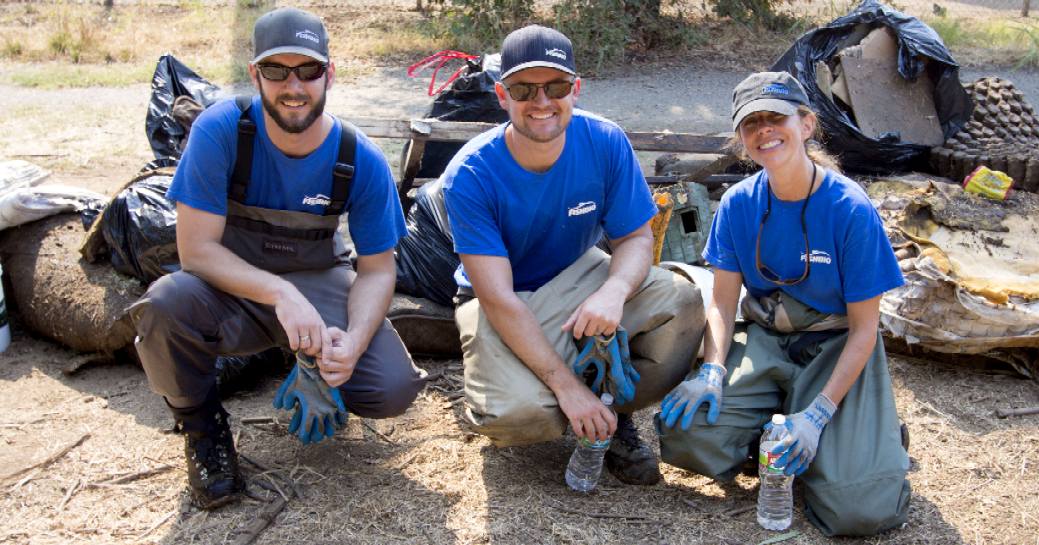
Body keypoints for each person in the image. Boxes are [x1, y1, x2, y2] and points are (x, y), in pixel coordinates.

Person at [129, 7, 426, 509]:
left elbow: (377, 270)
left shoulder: (361, 158)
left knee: (392, 391)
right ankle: (203, 431)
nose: (294, 86)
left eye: (308, 71)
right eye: (277, 71)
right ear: (255, 75)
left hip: (318, 279)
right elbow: (195, 250)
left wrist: (351, 343)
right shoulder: (221, 129)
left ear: (329, 74)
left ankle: (290, 352)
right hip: (229, 287)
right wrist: (280, 293)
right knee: (164, 305)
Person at [441, 24, 705, 485]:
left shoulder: (604, 141)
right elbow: (499, 297)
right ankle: (573, 393)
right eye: (525, 88)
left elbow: (637, 239)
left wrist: (615, 291)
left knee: (681, 305)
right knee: (516, 418)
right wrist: (565, 388)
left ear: (575, 90)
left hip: (580, 275)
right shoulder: (470, 173)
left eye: (556, 86)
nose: (542, 101)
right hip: (503, 299)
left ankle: (610, 413)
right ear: (502, 95)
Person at [656, 72, 911, 535]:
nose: (764, 131)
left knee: (860, 509)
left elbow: (864, 330)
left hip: (835, 344)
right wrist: (712, 370)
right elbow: (722, 299)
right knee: (686, 435)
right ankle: (786, 439)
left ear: (807, 124)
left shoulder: (850, 210)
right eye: (751, 124)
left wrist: (818, 415)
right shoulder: (737, 203)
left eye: (776, 118)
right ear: (741, 140)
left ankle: (862, 439)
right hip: (767, 339)